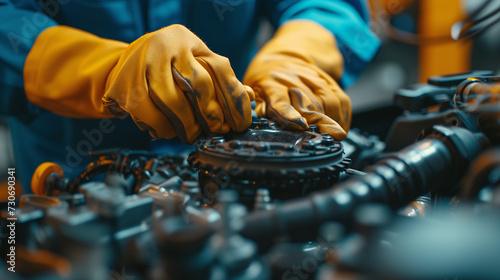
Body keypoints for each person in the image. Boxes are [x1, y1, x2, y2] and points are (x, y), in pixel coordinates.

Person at [0, 0, 380, 191]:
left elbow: (328, 5)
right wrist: (102, 70)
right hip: (67, 183)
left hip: (239, 180)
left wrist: (299, 53)